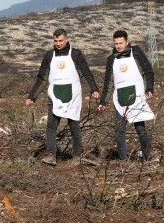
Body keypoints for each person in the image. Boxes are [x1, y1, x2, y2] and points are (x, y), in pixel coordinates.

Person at [25, 28, 99, 165]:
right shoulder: (49, 56)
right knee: (51, 126)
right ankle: (52, 155)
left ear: (67, 39)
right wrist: (32, 96)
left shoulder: (76, 54)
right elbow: (42, 78)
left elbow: (86, 73)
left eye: (60, 41)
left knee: (74, 125)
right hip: (54, 95)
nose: (58, 43)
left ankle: (77, 157)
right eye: (55, 41)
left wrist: (93, 88)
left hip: (73, 95)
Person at [98, 30, 156, 161]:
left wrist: (149, 89)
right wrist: (103, 102)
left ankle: (147, 157)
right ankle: (123, 161)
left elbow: (148, 71)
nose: (118, 46)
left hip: (137, 97)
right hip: (120, 99)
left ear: (127, 41)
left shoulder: (136, 53)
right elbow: (109, 82)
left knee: (140, 129)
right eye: (116, 43)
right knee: (119, 131)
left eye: (121, 43)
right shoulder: (111, 59)